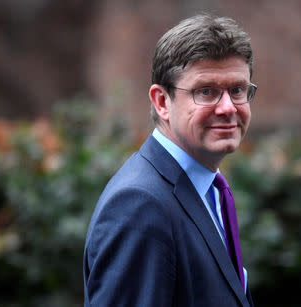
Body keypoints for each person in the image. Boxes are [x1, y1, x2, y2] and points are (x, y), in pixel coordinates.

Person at [83, 13, 257, 307]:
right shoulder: (140, 205)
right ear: (162, 102)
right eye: (206, 91)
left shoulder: (208, 190)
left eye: (237, 90)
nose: (228, 107)